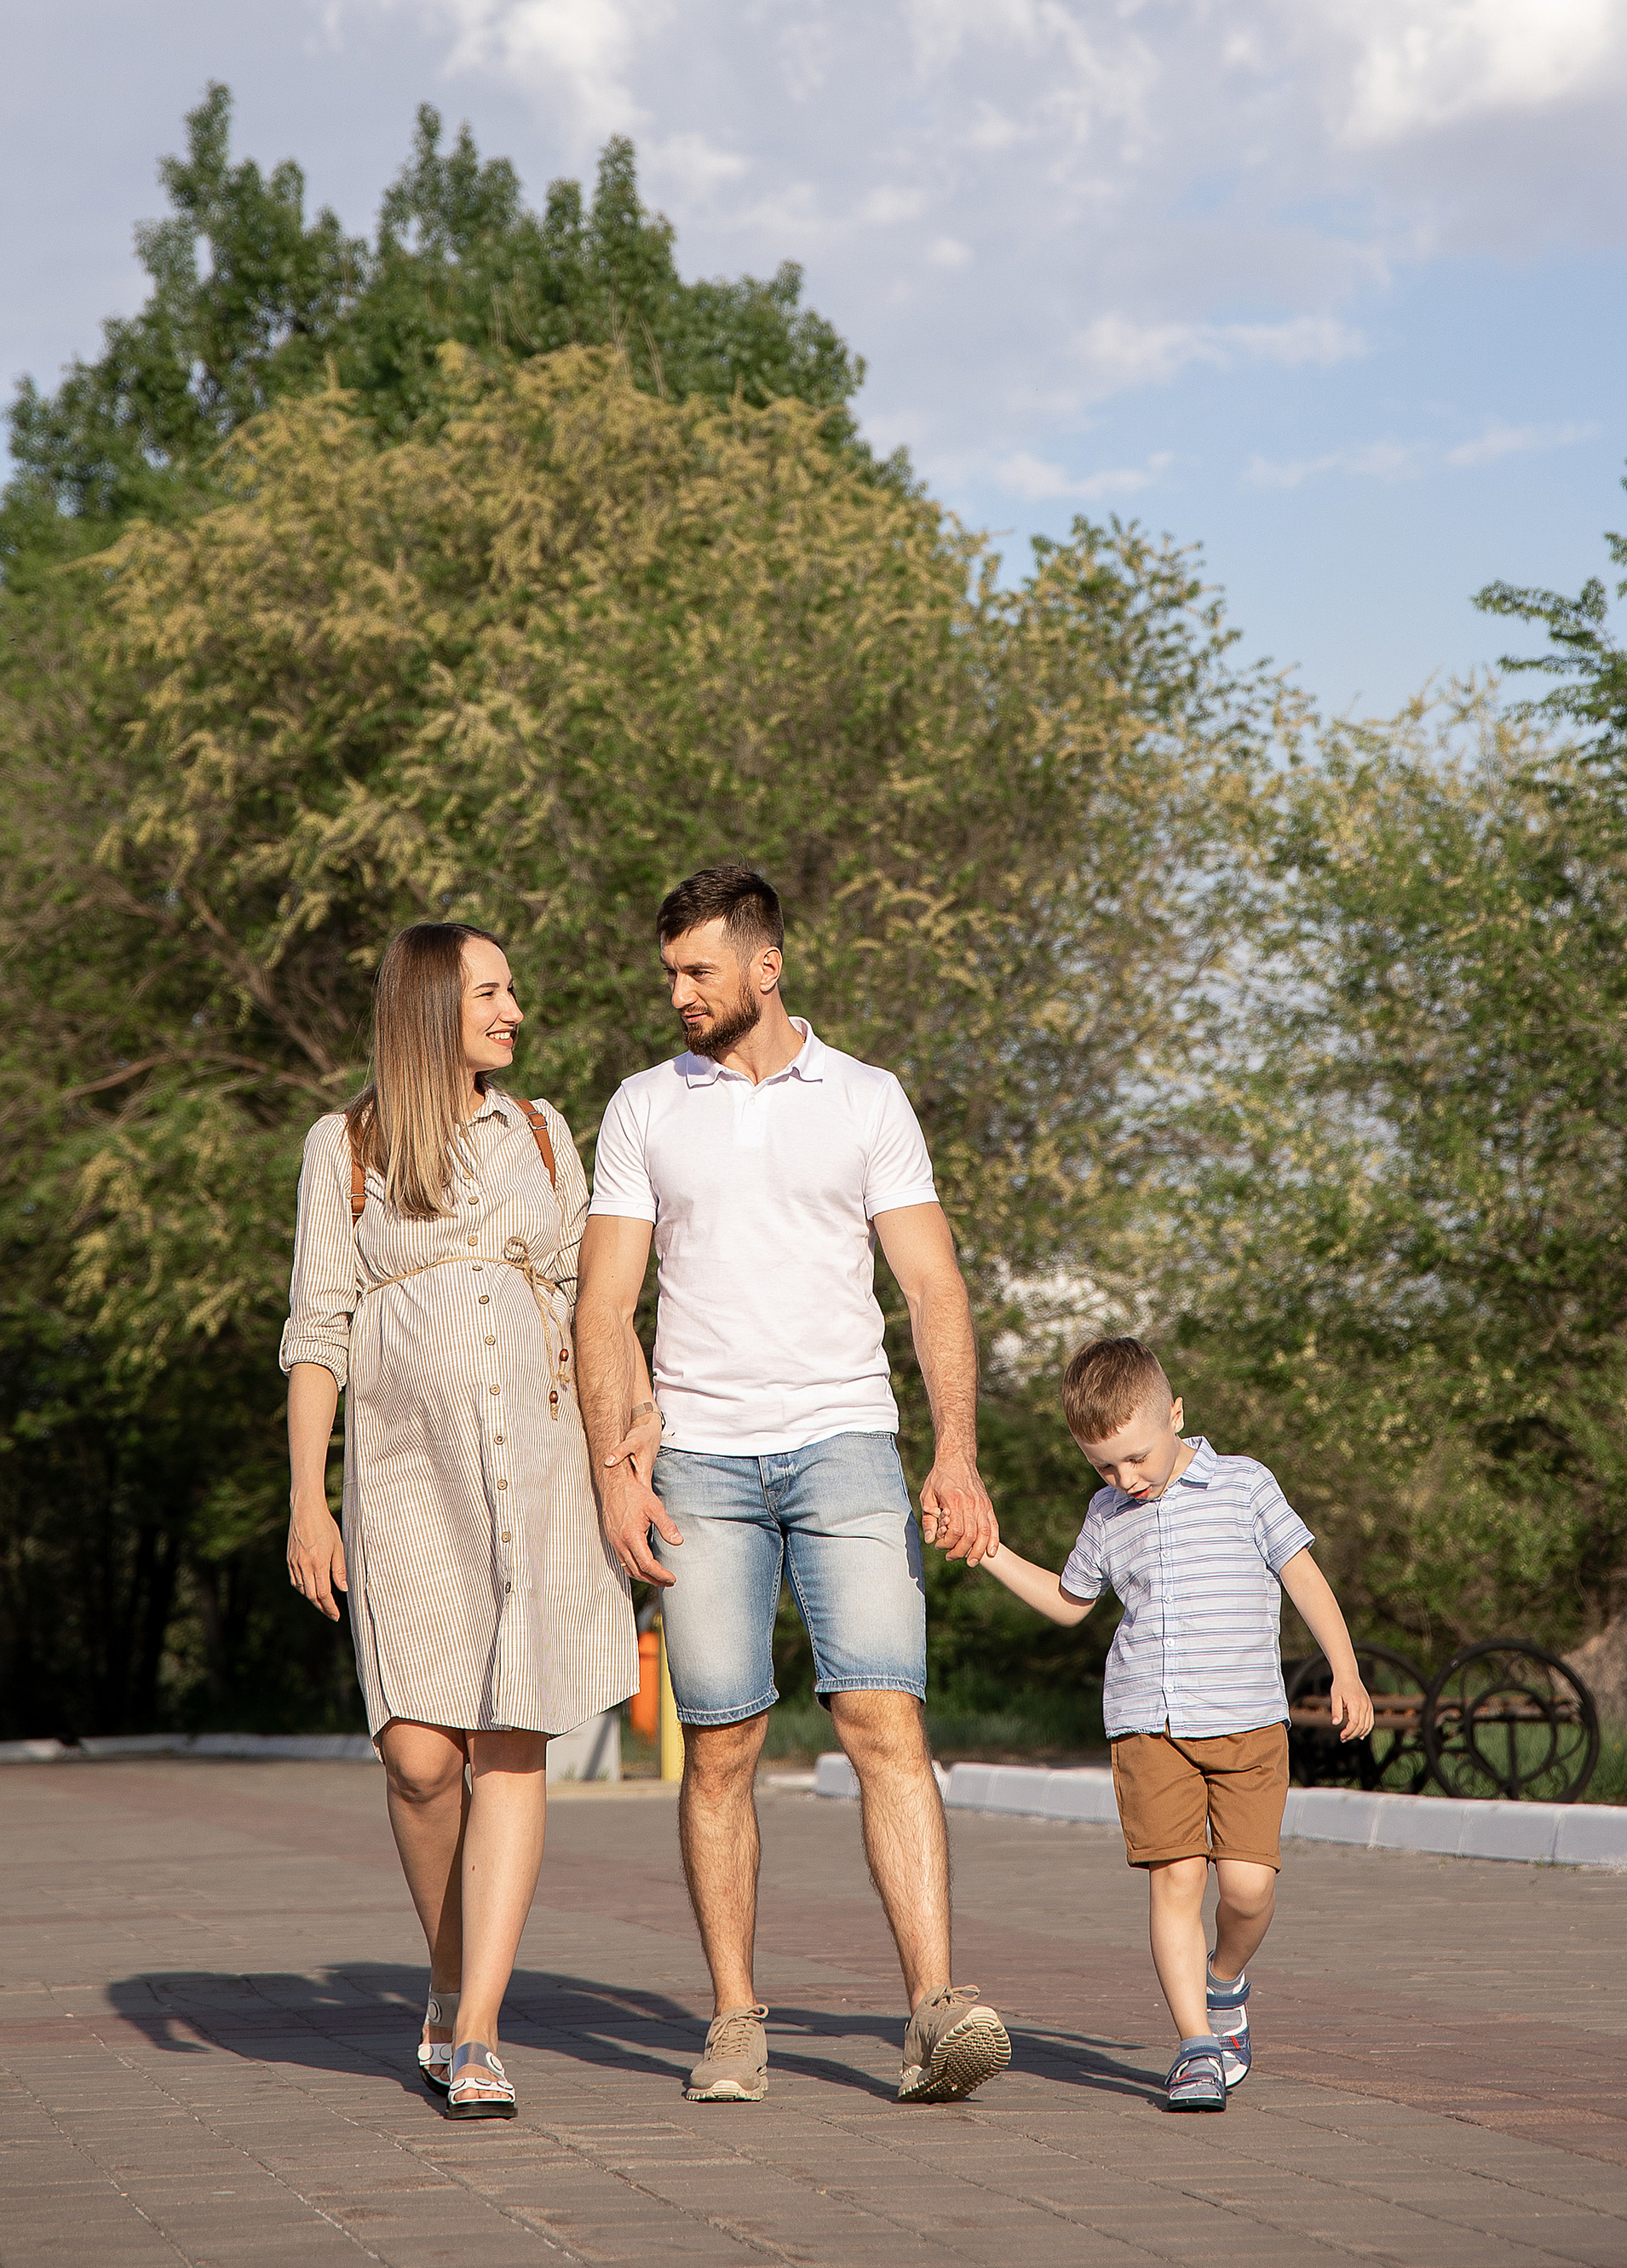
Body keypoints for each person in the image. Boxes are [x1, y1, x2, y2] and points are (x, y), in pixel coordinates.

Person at [574, 860, 1012, 2108]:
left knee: (887, 1722)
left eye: (697, 969)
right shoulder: (643, 1109)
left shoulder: (865, 1099)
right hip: (700, 1461)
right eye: (668, 972)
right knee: (721, 1743)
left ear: (767, 966)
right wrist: (618, 1473)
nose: (677, 993)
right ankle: (733, 2019)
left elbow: (932, 1287)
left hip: (846, 1444)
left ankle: (935, 2009)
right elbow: (604, 1308)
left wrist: (957, 1449)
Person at [283, 920, 640, 2119]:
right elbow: (316, 1332)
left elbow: (603, 1312)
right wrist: (306, 1497)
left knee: (513, 1740)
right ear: (433, 1004)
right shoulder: (349, 1147)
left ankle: (478, 2030)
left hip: (539, 1473)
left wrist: (627, 1458)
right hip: (403, 1483)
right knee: (420, 1757)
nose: (516, 1009)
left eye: (513, 990)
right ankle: (447, 1974)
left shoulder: (542, 1132)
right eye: (493, 990)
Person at [979, 1334, 1374, 2115]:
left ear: (1177, 1417)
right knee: (1175, 1883)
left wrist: (1346, 1667)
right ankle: (1196, 2047)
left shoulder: (1246, 1486)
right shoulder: (1108, 1514)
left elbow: (1305, 1576)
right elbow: (1069, 1602)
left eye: (1136, 1457)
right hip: (1147, 1725)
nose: (1126, 1478)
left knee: (1250, 1889)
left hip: (1248, 1725)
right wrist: (988, 1551)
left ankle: (1224, 1982)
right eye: (1104, 1467)